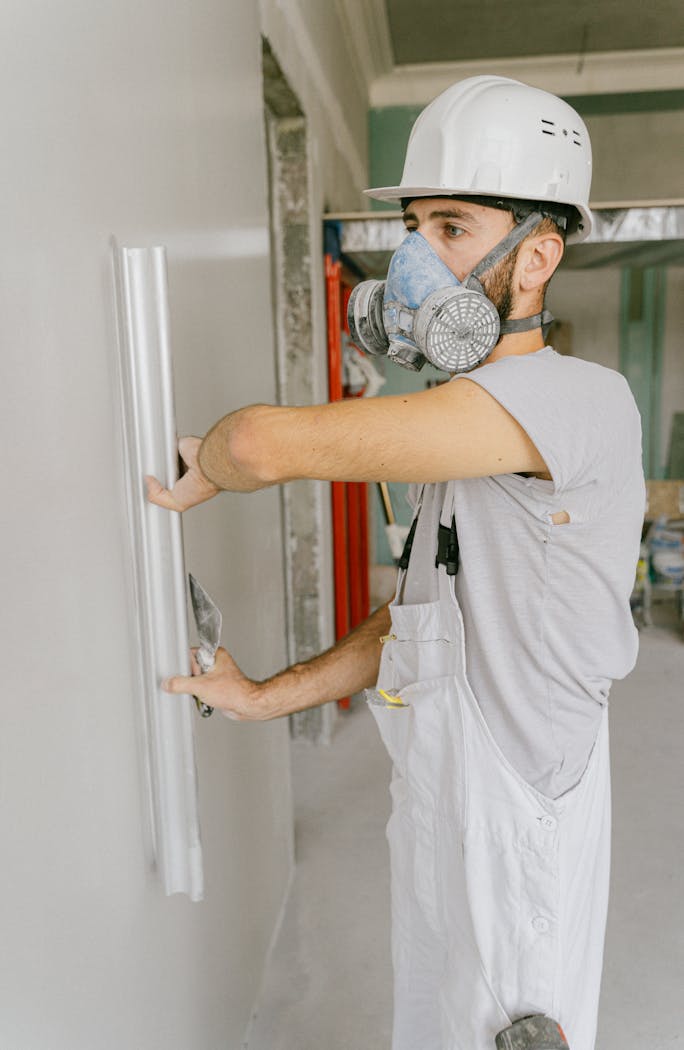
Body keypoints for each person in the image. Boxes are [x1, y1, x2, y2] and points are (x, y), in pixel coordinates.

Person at [147, 76, 645, 1050]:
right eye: (412, 227)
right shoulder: (463, 441)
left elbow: (255, 449)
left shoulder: (577, 400)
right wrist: (262, 696)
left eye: (451, 228)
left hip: (518, 812)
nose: (415, 261)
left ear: (536, 255)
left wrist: (203, 460)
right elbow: (413, 625)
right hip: (442, 788)